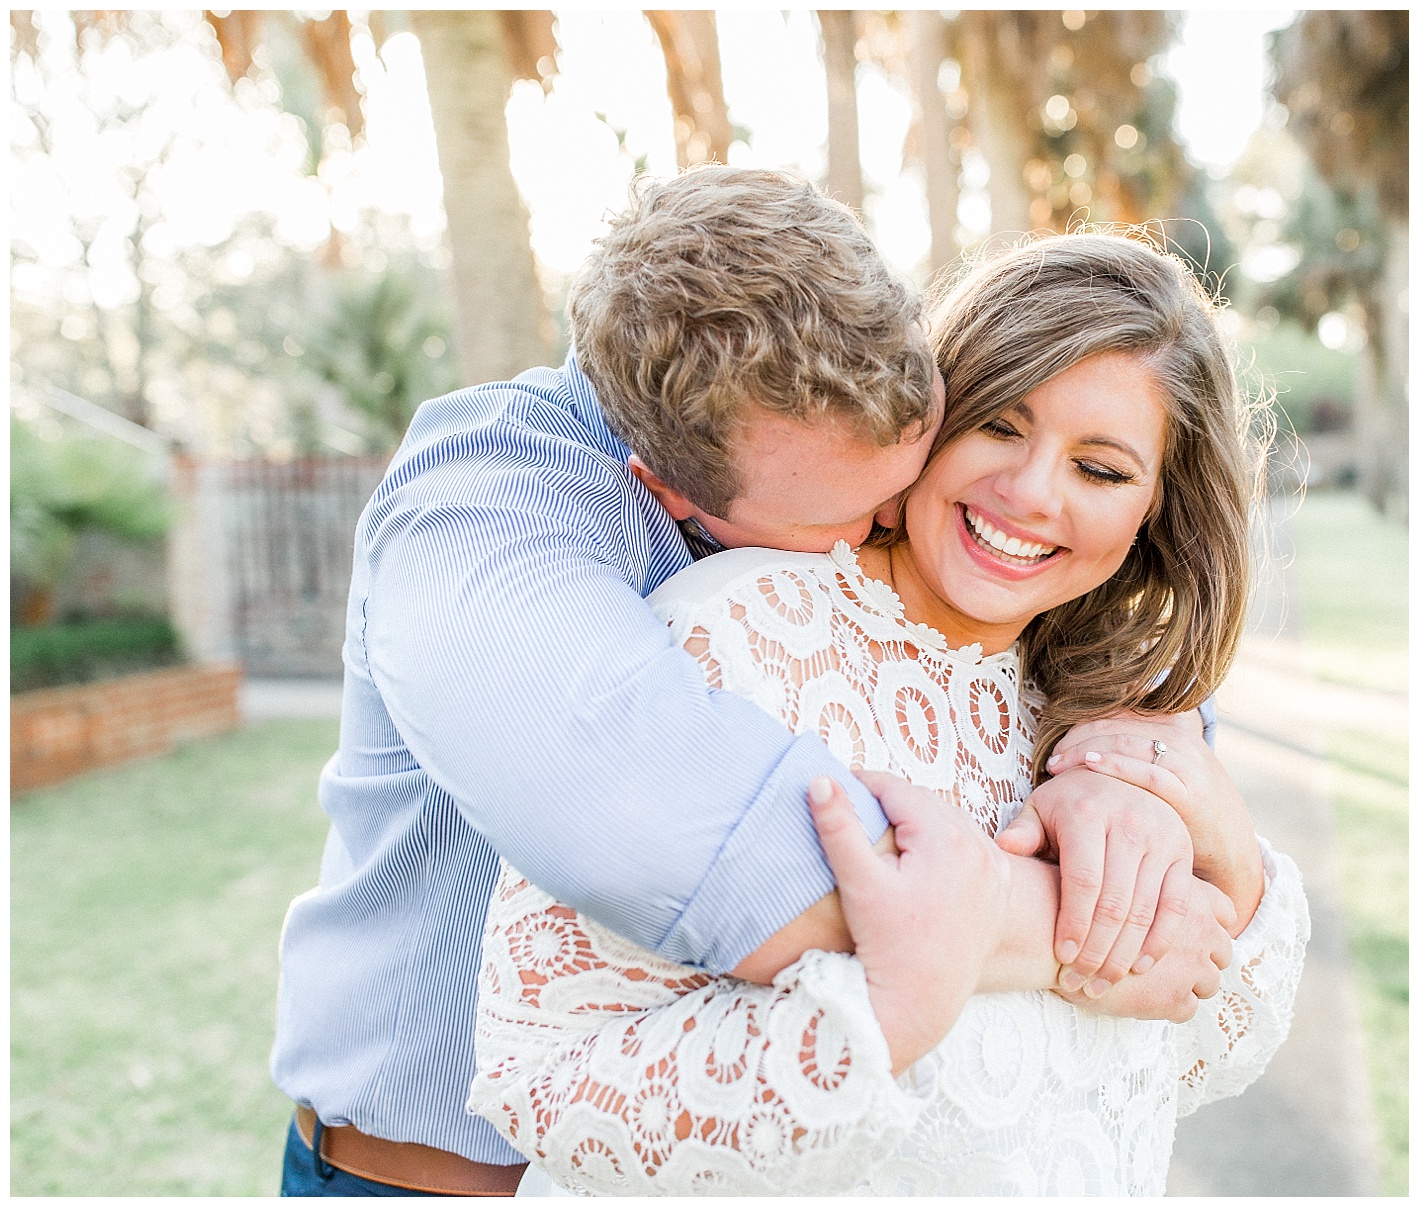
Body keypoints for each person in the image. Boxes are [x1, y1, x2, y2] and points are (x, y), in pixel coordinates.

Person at [273, 169, 1256, 1196]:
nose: (886, 533)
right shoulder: (491, 501)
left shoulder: (827, 397)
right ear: (670, 487)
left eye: (903, 471)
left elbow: (1040, 615)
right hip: (428, 1175)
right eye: (853, 514)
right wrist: (1056, 926)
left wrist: (1126, 759)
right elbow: (655, 812)